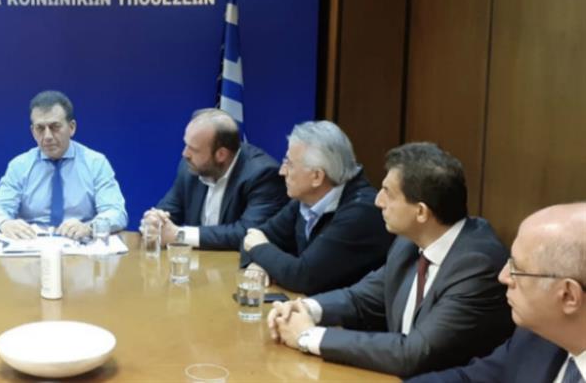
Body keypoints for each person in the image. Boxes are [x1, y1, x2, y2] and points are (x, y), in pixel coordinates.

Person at [268, 142, 513, 377]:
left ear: (420, 212)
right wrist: (304, 309)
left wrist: (308, 335)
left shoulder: (476, 265)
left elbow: (414, 353)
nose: (378, 201)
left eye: (388, 193)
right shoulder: (408, 243)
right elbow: (361, 299)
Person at [406, 203, 586, 383]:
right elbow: (471, 379)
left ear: (568, 296)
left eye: (517, 268)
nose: (503, 276)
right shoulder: (536, 337)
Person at [240, 121, 394, 294]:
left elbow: (303, 277)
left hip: (347, 310)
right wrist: (260, 263)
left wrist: (259, 250)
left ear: (317, 177)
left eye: (290, 164)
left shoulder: (361, 212)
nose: (282, 171)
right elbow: (253, 237)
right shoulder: (307, 199)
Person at [0, 90, 127, 239]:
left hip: (80, 244)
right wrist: (5, 223)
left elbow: (116, 212)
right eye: (40, 128)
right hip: (31, 246)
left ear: (72, 127)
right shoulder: (19, 166)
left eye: (55, 127)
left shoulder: (96, 163)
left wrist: (90, 227)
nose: (47, 136)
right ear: (32, 131)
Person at [140, 108, 286, 251]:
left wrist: (180, 235)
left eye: (194, 149)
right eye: (186, 144)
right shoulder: (191, 166)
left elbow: (249, 233)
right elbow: (170, 210)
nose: (185, 154)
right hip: (197, 262)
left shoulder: (262, 175)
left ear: (221, 154)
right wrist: (154, 222)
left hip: (237, 264)